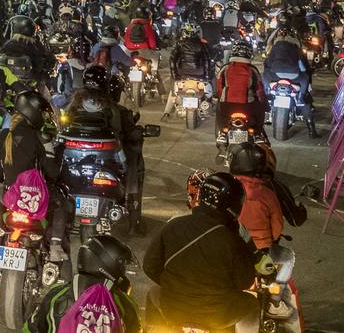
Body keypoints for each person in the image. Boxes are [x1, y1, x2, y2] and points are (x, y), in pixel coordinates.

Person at [142, 171, 258, 331]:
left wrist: (175, 285)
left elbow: (150, 266)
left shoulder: (173, 226)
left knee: (154, 291)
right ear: (234, 205)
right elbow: (245, 281)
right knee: (252, 304)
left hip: (173, 309)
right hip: (219, 315)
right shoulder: (233, 240)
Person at [0, 90, 64, 300]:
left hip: (11, 200)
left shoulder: (2, 136)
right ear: (35, 112)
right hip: (35, 201)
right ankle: (56, 246)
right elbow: (52, 173)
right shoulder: (41, 137)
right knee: (61, 204)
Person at [24, 234, 141, 333]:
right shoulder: (124, 303)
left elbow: (30, 328)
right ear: (110, 264)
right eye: (121, 266)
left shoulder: (56, 294)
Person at [262, 29, 318, 137]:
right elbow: (304, 68)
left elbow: (267, 65)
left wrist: (267, 82)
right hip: (294, 76)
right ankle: (311, 130)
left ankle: (267, 96)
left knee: (263, 81)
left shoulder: (274, 48)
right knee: (304, 98)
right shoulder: (297, 49)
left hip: (275, 75)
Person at [230, 142, 284, 248]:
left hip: (234, 244)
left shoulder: (228, 189)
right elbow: (277, 226)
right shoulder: (267, 194)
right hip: (262, 246)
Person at [214, 41, 266, 133]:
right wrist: (263, 101)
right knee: (261, 108)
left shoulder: (225, 68)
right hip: (248, 105)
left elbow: (219, 87)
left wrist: (220, 98)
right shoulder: (252, 69)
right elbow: (259, 90)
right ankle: (258, 133)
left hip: (227, 105)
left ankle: (222, 132)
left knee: (219, 109)